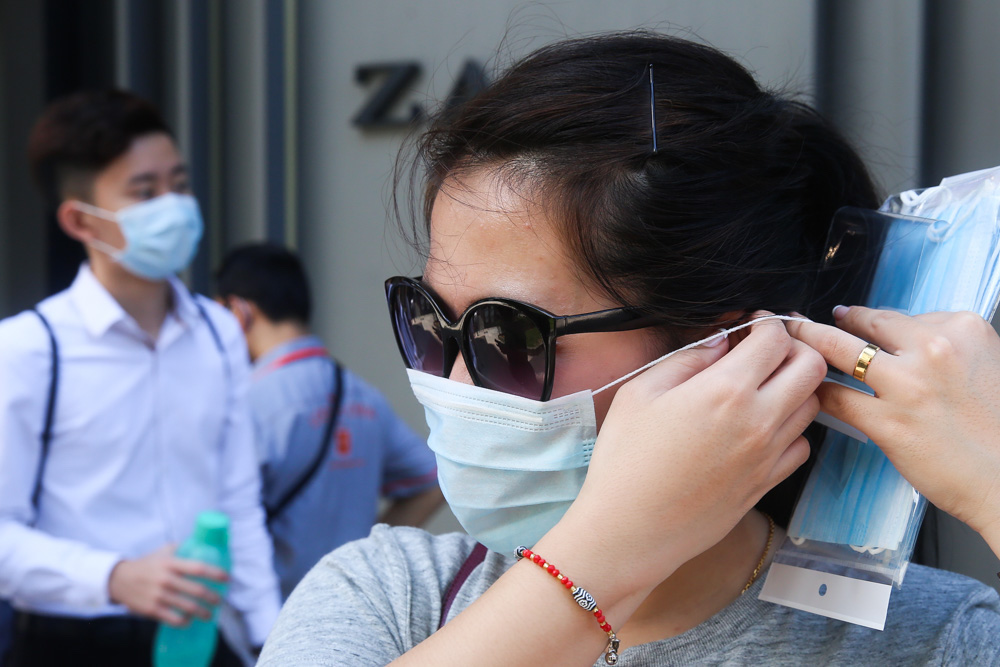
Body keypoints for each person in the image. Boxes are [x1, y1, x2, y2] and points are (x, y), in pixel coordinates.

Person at [258, 32, 1000, 665]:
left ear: (730, 352)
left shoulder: (931, 639)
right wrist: (612, 549)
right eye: (426, 321)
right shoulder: (391, 597)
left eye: (506, 337)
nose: (451, 379)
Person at [0, 90, 280, 666]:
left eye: (178, 184)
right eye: (144, 192)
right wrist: (115, 576)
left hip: (201, 638)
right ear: (81, 219)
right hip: (71, 643)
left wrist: (269, 636)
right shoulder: (30, 348)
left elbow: (238, 502)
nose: (173, 206)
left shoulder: (219, 332)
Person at [214, 243, 444, 600]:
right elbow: (433, 480)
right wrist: (363, 552)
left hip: (269, 620)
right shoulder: (362, 396)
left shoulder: (245, 403)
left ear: (239, 312)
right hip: (348, 607)